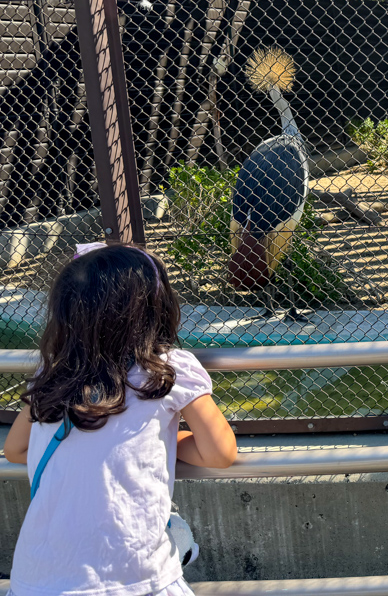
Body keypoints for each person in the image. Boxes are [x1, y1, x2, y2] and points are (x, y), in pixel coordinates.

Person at [2, 243, 238, 595]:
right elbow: (220, 453)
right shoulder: (169, 371)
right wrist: (160, 442)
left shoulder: (53, 376)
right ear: (155, 308)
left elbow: (16, 449)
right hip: (134, 576)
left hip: (37, 578)